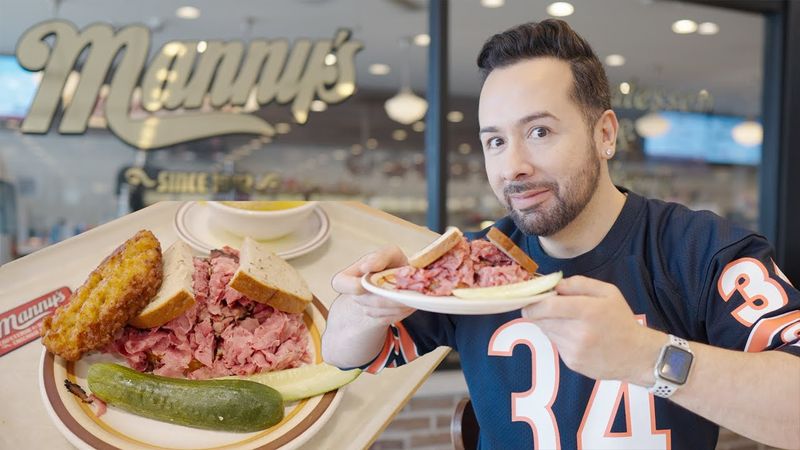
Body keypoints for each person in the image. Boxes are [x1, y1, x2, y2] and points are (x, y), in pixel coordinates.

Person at [322, 19, 800, 450]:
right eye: (495, 141)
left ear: (605, 134)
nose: (513, 166)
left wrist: (646, 356)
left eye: (539, 132)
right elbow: (344, 353)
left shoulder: (699, 251)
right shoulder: (474, 264)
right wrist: (368, 301)